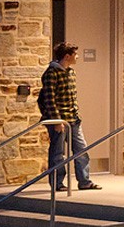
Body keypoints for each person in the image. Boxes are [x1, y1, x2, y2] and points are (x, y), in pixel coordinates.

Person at [39, 42, 101, 193]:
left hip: (73, 119)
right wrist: (56, 120)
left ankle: (84, 181)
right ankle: (58, 183)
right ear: (67, 56)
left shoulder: (71, 72)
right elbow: (49, 99)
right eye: (75, 54)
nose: (77, 57)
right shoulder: (51, 73)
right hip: (59, 120)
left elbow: (72, 97)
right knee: (57, 153)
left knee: (81, 149)